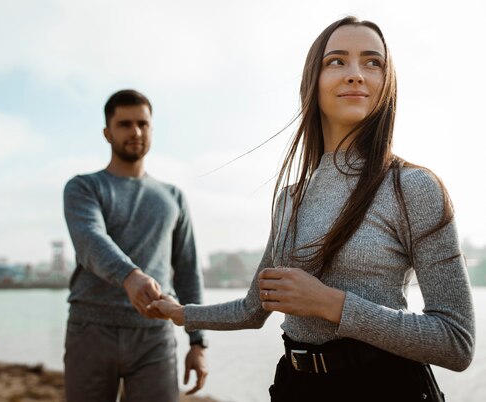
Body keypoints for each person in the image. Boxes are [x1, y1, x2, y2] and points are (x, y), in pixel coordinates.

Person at [148, 16, 475, 401]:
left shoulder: (413, 188)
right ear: (313, 81)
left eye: (373, 62)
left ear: (386, 84)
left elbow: (456, 341)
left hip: (384, 386)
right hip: (295, 385)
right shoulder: (289, 198)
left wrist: (332, 304)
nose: (356, 74)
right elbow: (254, 309)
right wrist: (180, 313)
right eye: (337, 61)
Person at [62, 89, 208, 402]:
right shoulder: (84, 187)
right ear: (107, 132)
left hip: (154, 335)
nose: (135, 132)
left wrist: (198, 341)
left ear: (152, 129)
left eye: (142, 124)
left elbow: (187, 270)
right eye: (125, 124)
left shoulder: (174, 197)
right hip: (90, 330)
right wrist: (131, 276)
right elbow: (89, 239)